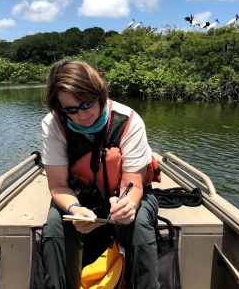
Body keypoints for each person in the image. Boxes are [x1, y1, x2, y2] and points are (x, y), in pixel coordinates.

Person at [41, 60, 161, 289]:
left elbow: (134, 184)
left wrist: (127, 206)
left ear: (100, 94)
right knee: (55, 225)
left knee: (139, 225)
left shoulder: (129, 121)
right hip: (79, 200)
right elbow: (57, 185)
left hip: (126, 195)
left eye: (87, 104)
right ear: (59, 107)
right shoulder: (53, 125)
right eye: (71, 109)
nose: (82, 115)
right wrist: (74, 210)